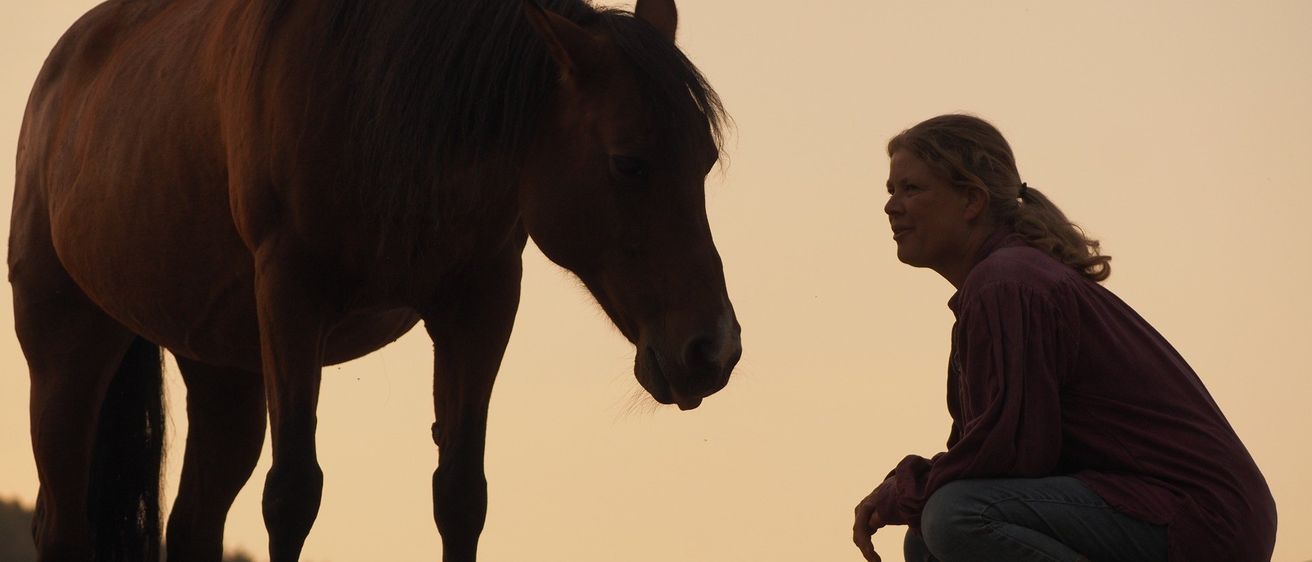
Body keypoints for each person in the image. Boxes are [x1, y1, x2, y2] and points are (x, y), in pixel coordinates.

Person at [851, 114, 1277, 562]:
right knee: (926, 541)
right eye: (890, 191)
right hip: (1160, 510)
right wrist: (914, 492)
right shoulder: (1002, 282)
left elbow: (1014, 450)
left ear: (971, 200)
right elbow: (991, 455)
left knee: (955, 516)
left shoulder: (1007, 282)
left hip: (1199, 517)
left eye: (911, 189)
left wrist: (908, 489)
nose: (891, 206)